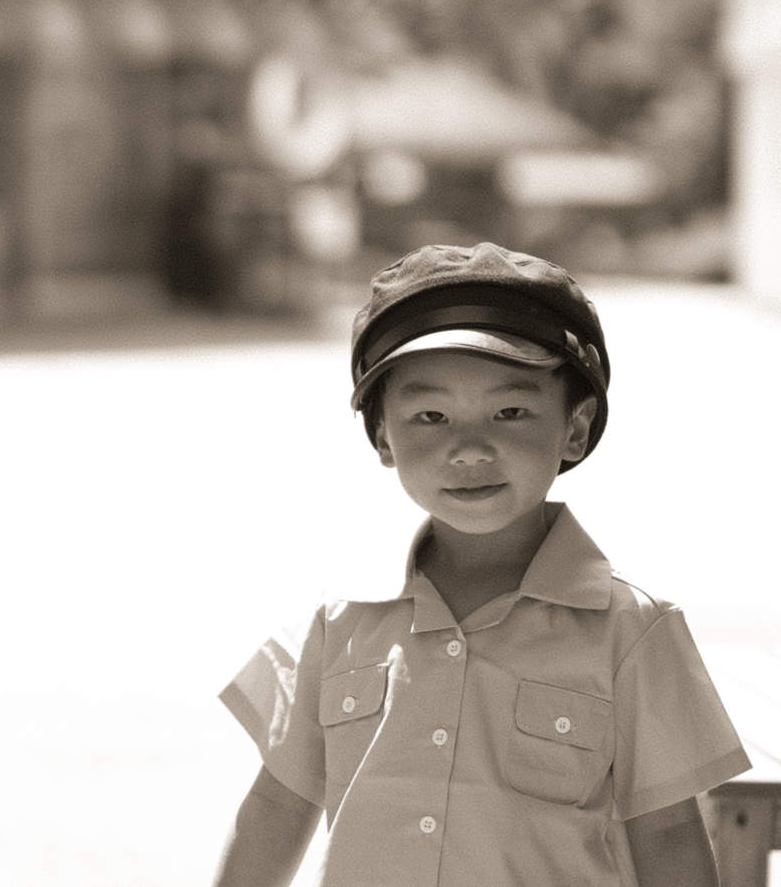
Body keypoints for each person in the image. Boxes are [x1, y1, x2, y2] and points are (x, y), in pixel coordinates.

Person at [213, 243, 750, 886]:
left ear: (575, 428)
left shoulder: (632, 631)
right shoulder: (339, 622)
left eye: (510, 412)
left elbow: (667, 834)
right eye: (430, 416)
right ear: (383, 435)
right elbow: (277, 807)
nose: (469, 448)